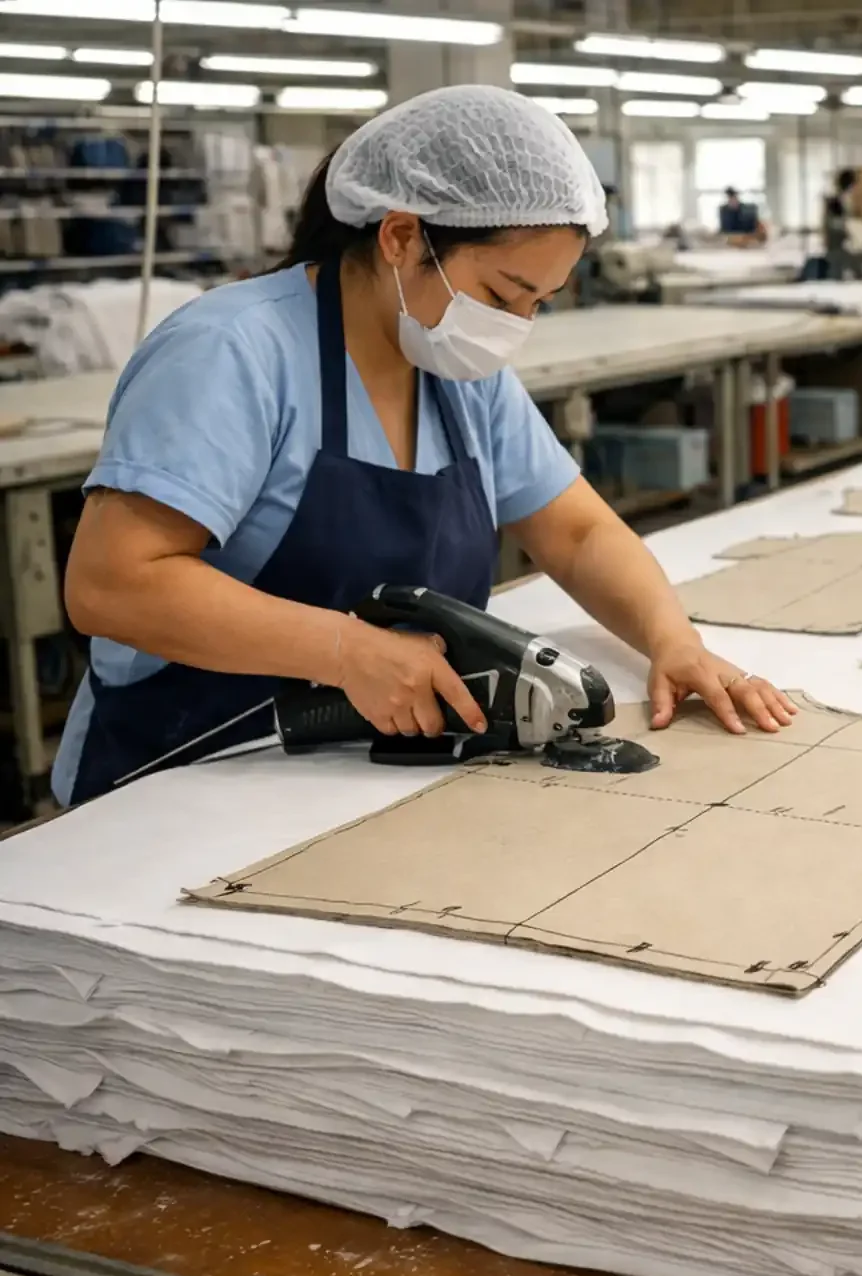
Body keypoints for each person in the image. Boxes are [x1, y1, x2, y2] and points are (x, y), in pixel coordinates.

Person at [55, 86, 797, 807]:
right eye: (503, 295)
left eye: (539, 303)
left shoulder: (453, 366)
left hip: (355, 783)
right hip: (182, 781)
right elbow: (111, 583)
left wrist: (672, 641)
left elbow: (575, 531)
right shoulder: (233, 352)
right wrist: (344, 652)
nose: (515, 325)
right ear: (402, 236)